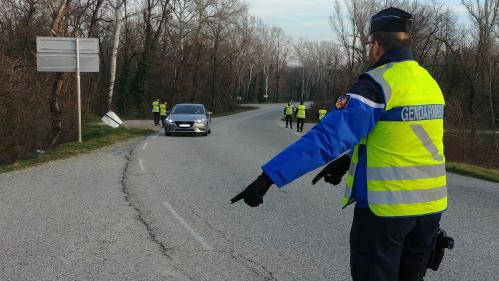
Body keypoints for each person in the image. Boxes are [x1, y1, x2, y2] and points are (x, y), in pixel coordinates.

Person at [231, 7, 447, 281]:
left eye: (370, 45)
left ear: (377, 46)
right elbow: (406, 139)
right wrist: (348, 161)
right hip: (429, 213)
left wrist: (268, 178)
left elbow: (326, 138)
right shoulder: (429, 83)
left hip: (386, 213)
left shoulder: (379, 84)